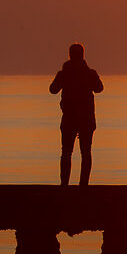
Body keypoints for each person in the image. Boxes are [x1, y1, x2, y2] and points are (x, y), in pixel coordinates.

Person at [49, 43, 103, 186]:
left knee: (67, 153)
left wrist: (61, 77)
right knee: (85, 153)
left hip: (70, 119)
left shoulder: (64, 74)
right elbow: (99, 88)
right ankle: (83, 185)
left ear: (70, 55)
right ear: (82, 55)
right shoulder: (89, 73)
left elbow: (53, 89)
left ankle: (64, 185)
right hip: (85, 119)